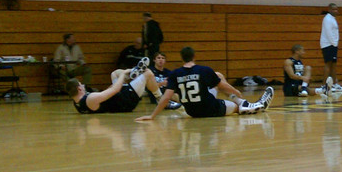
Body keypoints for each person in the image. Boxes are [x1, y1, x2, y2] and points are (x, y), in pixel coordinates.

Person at [136, 46, 272, 121]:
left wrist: (152, 116)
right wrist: (235, 91)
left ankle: (242, 103)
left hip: (192, 111)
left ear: (182, 58)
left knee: (217, 75)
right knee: (237, 108)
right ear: (194, 57)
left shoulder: (175, 74)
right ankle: (250, 104)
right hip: (210, 108)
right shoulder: (204, 70)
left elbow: (165, 98)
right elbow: (222, 86)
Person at [67, 57, 160, 114]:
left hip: (118, 99)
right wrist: (124, 73)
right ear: (79, 89)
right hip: (126, 101)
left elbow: (106, 93)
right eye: (81, 84)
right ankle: (161, 98)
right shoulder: (90, 99)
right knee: (148, 73)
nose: (83, 85)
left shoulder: (77, 102)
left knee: (114, 73)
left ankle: (133, 71)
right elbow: (116, 89)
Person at [319, 3, 342, 94]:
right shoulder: (327, 19)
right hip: (328, 44)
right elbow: (328, 32)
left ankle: (334, 84)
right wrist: (334, 43)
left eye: (336, 9)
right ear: (329, 9)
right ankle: (323, 85)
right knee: (328, 64)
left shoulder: (332, 19)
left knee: (333, 64)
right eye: (334, 9)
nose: (336, 11)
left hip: (333, 45)